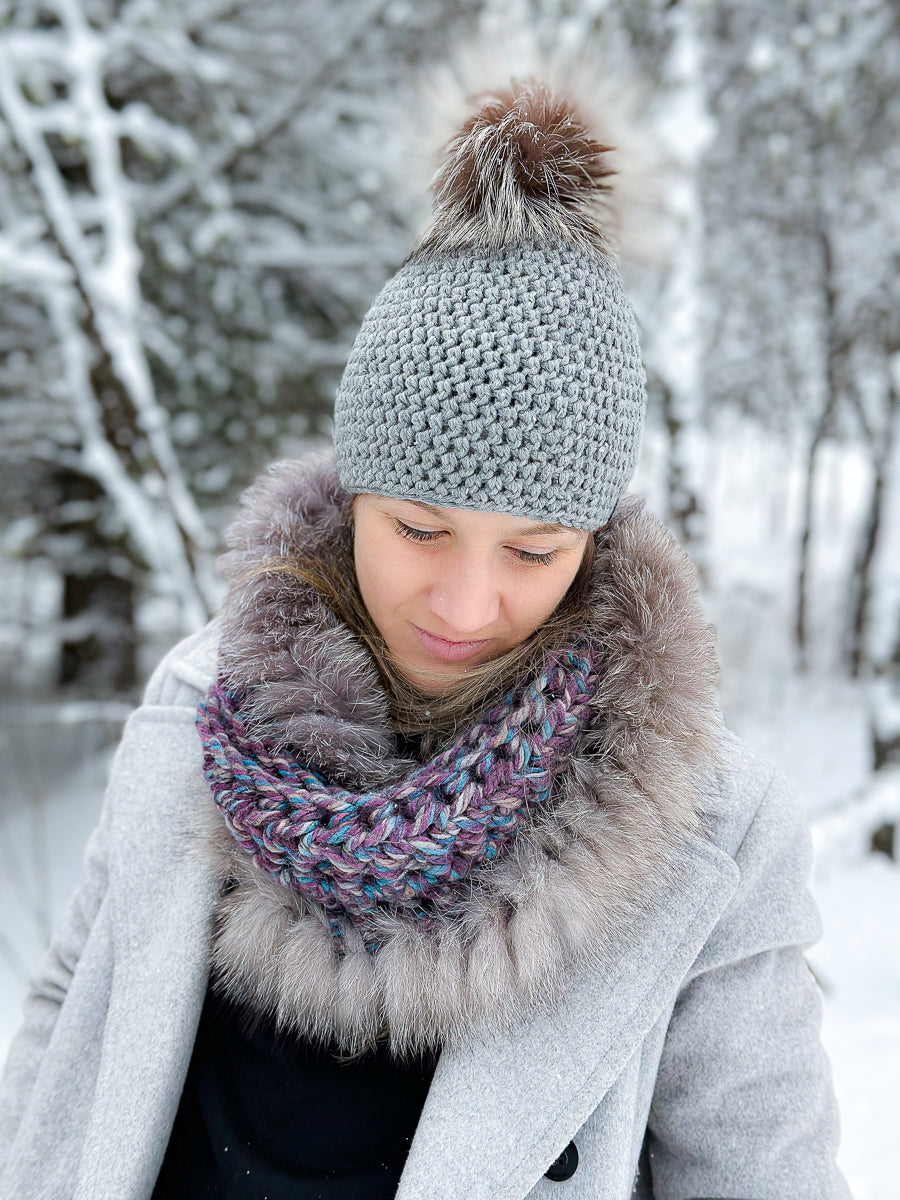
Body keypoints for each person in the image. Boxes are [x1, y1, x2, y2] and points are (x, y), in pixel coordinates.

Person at [0, 80, 850, 1200]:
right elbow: (76, 1018)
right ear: (351, 497)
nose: (461, 604)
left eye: (532, 552)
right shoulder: (199, 707)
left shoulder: (716, 837)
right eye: (417, 529)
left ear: (591, 549)